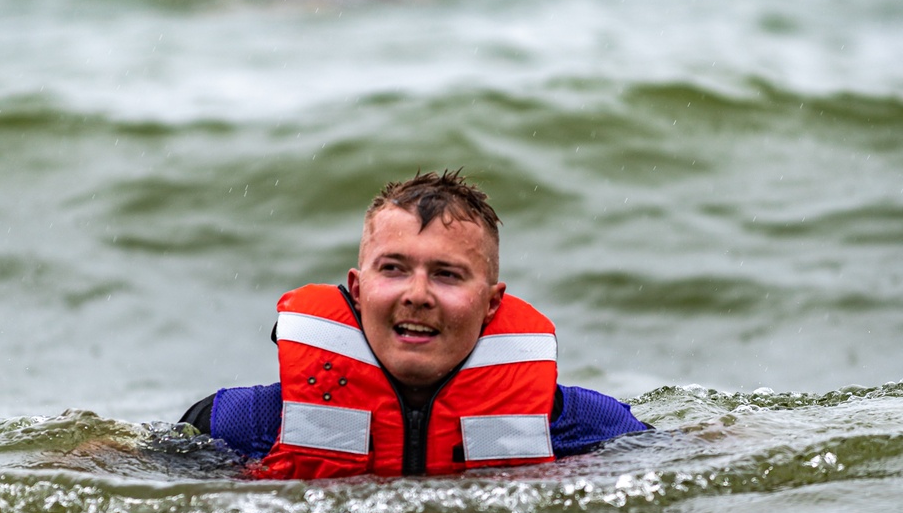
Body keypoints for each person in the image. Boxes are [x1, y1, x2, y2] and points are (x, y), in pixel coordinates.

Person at [180, 171, 648, 477]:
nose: (417, 295)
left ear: (491, 304)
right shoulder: (242, 424)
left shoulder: (582, 428)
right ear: (358, 290)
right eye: (393, 269)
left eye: (446, 275)